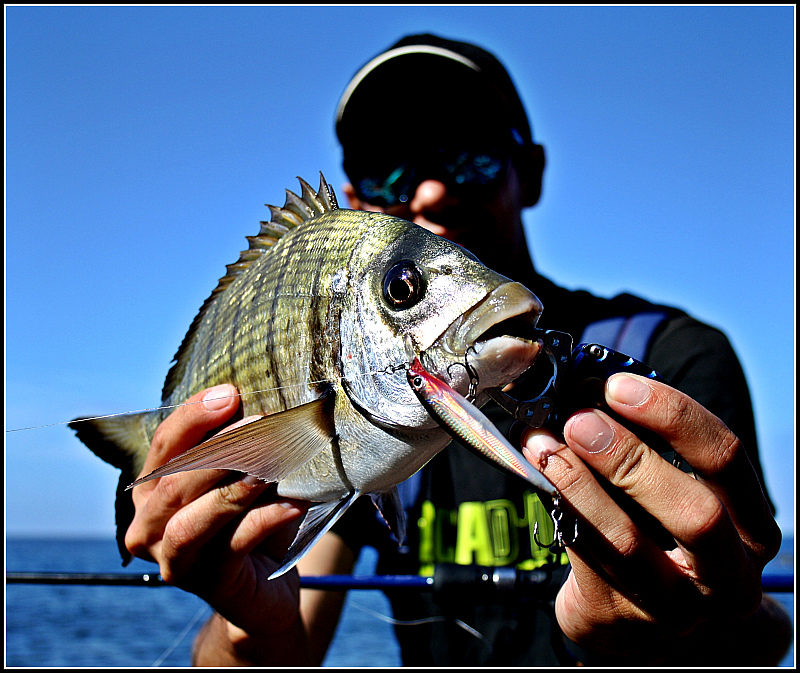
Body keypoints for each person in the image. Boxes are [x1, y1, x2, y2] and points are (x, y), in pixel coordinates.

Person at [124, 34, 791, 666]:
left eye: (469, 151)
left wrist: (695, 623)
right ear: (355, 204)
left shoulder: (667, 359)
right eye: (387, 165)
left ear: (530, 172)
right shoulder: (369, 404)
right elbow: (288, 643)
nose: (432, 190)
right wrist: (248, 618)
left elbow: (764, 631)